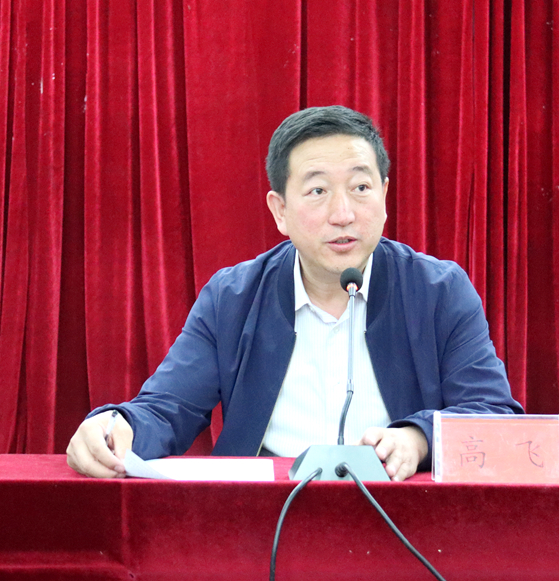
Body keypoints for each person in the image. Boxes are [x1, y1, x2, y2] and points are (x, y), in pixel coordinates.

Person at [67, 105, 523, 482]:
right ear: (280, 211)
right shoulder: (232, 298)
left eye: (361, 188)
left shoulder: (439, 291)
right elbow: (168, 409)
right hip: (263, 520)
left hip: (401, 518)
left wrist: (418, 438)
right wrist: (114, 427)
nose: (343, 213)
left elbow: (494, 416)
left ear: (384, 197)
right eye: (318, 190)